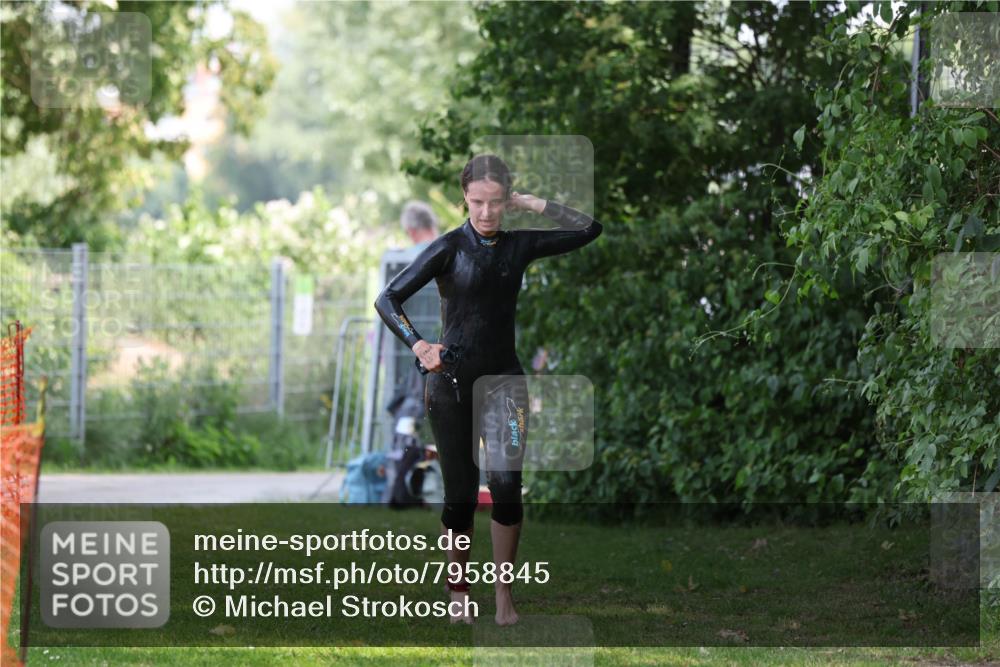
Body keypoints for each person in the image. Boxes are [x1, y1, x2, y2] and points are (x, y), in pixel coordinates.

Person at [374, 154, 602, 625]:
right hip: (450, 386)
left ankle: (503, 596)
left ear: (506, 201)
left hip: (506, 385)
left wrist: (532, 203)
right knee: (458, 495)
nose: (486, 212)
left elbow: (588, 228)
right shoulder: (447, 247)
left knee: (506, 486)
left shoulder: (519, 246)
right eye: (477, 202)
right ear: (464, 198)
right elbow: (386, 298)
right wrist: (419, 345)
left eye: (496, 202)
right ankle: (458, 592)